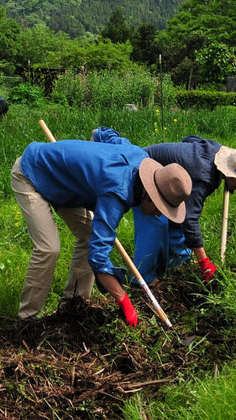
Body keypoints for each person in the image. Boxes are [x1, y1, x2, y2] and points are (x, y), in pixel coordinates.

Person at [10, 138, 191, 326]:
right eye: (160, 207)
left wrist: (88, 174)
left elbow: (105, 134)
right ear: (148, 194)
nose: (159, 213)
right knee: (49, 248)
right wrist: (124, 301)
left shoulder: (140, 156)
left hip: (65, 185)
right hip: (32, 172)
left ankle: (73, 305)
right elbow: (98, 258)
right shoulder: (117, 192)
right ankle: (26, 320)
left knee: (89, 237)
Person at [91, 127, 236, 285]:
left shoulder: (215, 151)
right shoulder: (203, 177)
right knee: (156, 225)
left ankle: (177, 259)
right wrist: (204, 262)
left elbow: (190, 139)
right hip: (143, 175)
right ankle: (143, 277)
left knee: (176, 216)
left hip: (165, 178)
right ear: (232, 173)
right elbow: (191, 221)